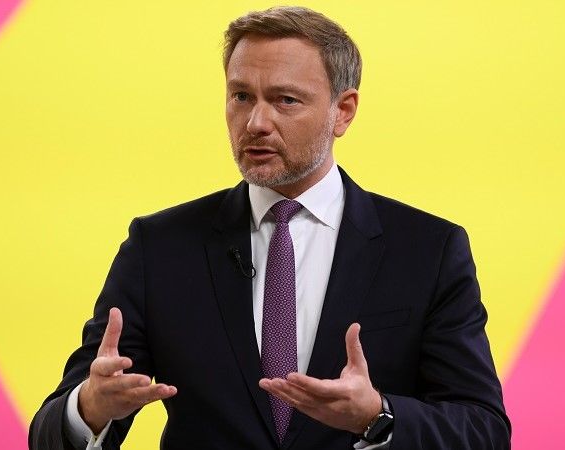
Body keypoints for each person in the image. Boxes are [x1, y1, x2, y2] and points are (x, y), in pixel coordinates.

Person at [29, 6, 511, 450]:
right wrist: (89, 408)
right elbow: (49, 432)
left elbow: (484, 430)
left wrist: (378, 416)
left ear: (343, 111)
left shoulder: (428, 250)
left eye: (285, 100)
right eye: (241, 96)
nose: (256, 122)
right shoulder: (159, 248)